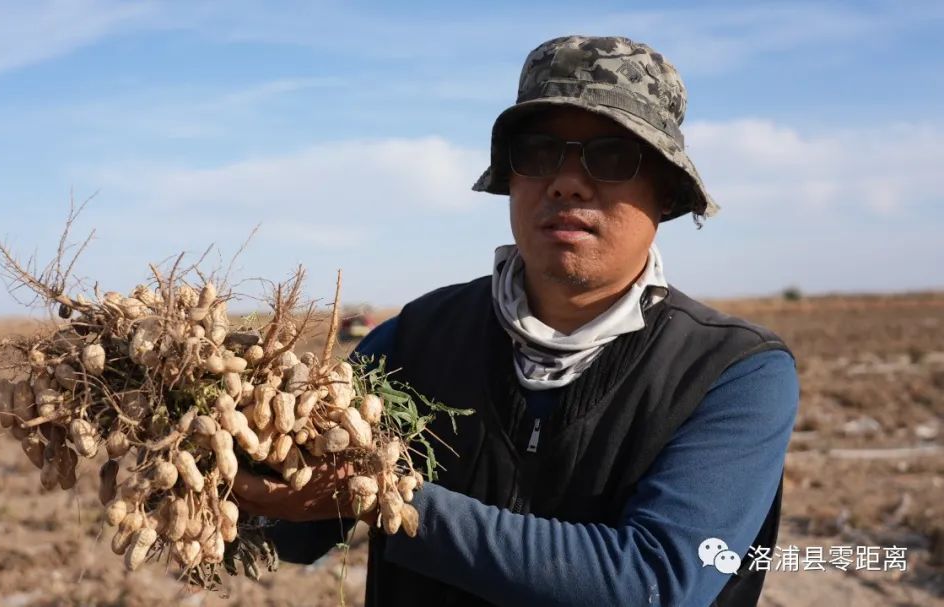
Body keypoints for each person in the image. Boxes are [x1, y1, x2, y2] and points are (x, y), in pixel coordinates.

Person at [234, 35, 799, 607]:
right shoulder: (417, 337)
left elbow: (655, 582)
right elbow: (302, 531)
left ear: (667, 190)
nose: (566, 182)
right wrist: (235, 443)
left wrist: (382, 495)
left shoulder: (733, 373)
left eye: (610, 156)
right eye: (538, 152)